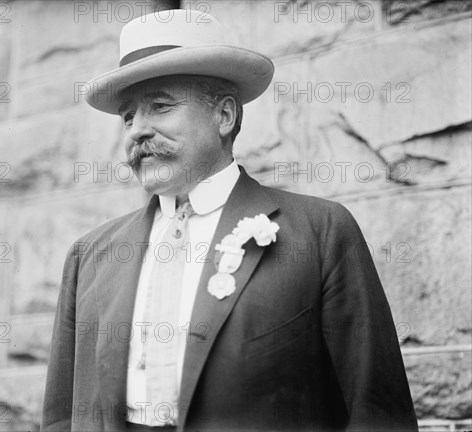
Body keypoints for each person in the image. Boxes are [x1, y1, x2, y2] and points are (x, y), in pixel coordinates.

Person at [41, 9, 418, 432]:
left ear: (224, 116)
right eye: (129, 117)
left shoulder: (320, 231)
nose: (136, 131)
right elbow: (62, 418)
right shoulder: (90, 255)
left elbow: (379, 414)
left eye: (160, 107)